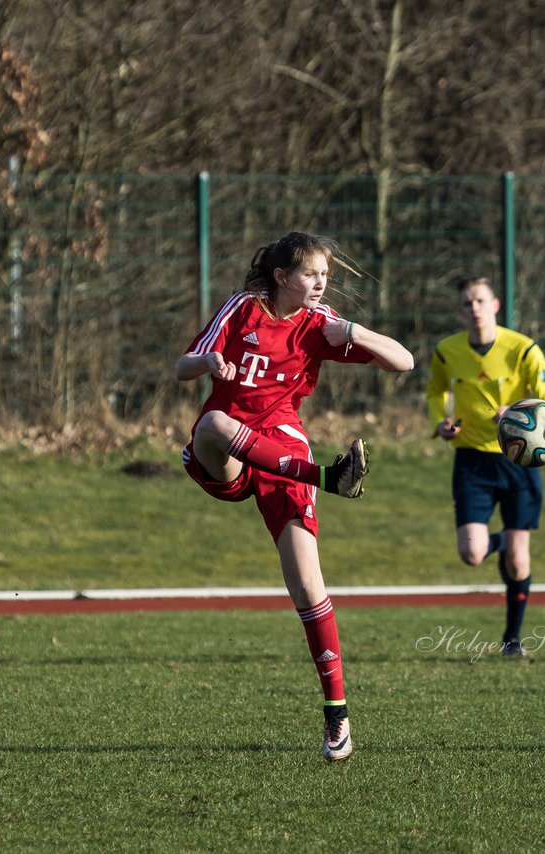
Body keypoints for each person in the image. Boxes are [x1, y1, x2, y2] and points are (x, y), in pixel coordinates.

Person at [174, 231, 414, 761]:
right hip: (230, 454)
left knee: (308, 585)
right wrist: (209, 364)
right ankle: (327, 478)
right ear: (281, 277)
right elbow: (181, 367)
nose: (321, 281)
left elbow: (405, 362)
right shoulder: (242, 309)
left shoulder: (318, 325)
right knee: (213, 421)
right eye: (310, 273)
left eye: (326, 274)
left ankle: (338, 718)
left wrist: (351, 330)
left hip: (282, 446)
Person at [426, 276, 545, 657]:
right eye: (466, 303)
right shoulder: (446, 351)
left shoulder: (522, 349)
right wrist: (441, 423)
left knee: (519, 562)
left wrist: (519, 413)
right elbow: (435, 392)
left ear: (495, 305)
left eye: (480, 301)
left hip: (518, 462)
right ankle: (505, 540)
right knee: (471, 553)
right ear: (459, 310)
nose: (474, 308)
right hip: (472, 460)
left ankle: (512, 640)